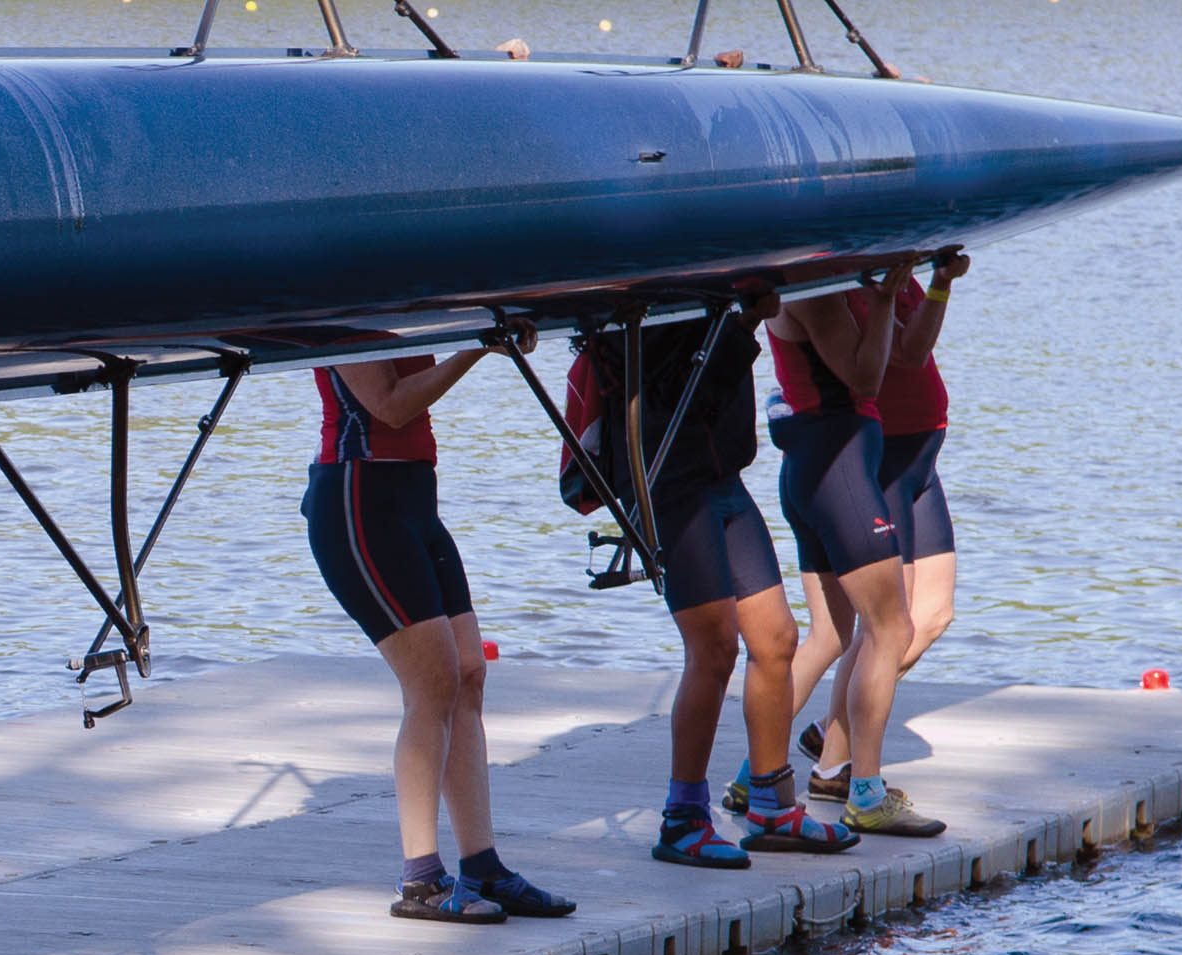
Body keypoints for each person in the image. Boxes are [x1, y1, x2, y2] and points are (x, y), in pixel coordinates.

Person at [564, 300, 862, 870]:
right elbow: (674, 375)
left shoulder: (713, 283)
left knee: (777, 639)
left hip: (723, 477)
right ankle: (682, 820)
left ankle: (773, 808)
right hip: (671, 479)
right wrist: (746, 315)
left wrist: (747, 305)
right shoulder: (656, 292)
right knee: (715, 647)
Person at [305, 343, 575, 923]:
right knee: (432, 685)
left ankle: (483, 867)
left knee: (469, 673)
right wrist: (479, 348)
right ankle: (421, 879)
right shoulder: (349, 298)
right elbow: (391, 405)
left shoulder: (405, 292)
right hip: (358, 499)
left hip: (414, 499)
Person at [765, 250, 967, 806]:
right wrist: (880, 297)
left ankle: (833, 737)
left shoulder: (885, 269)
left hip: (923, 451)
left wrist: (939, 285)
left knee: (932, 615)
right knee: (874, 627)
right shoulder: (835, 279)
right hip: (881, 456)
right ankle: (825, 760)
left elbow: (914, 348)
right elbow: (868, 372)